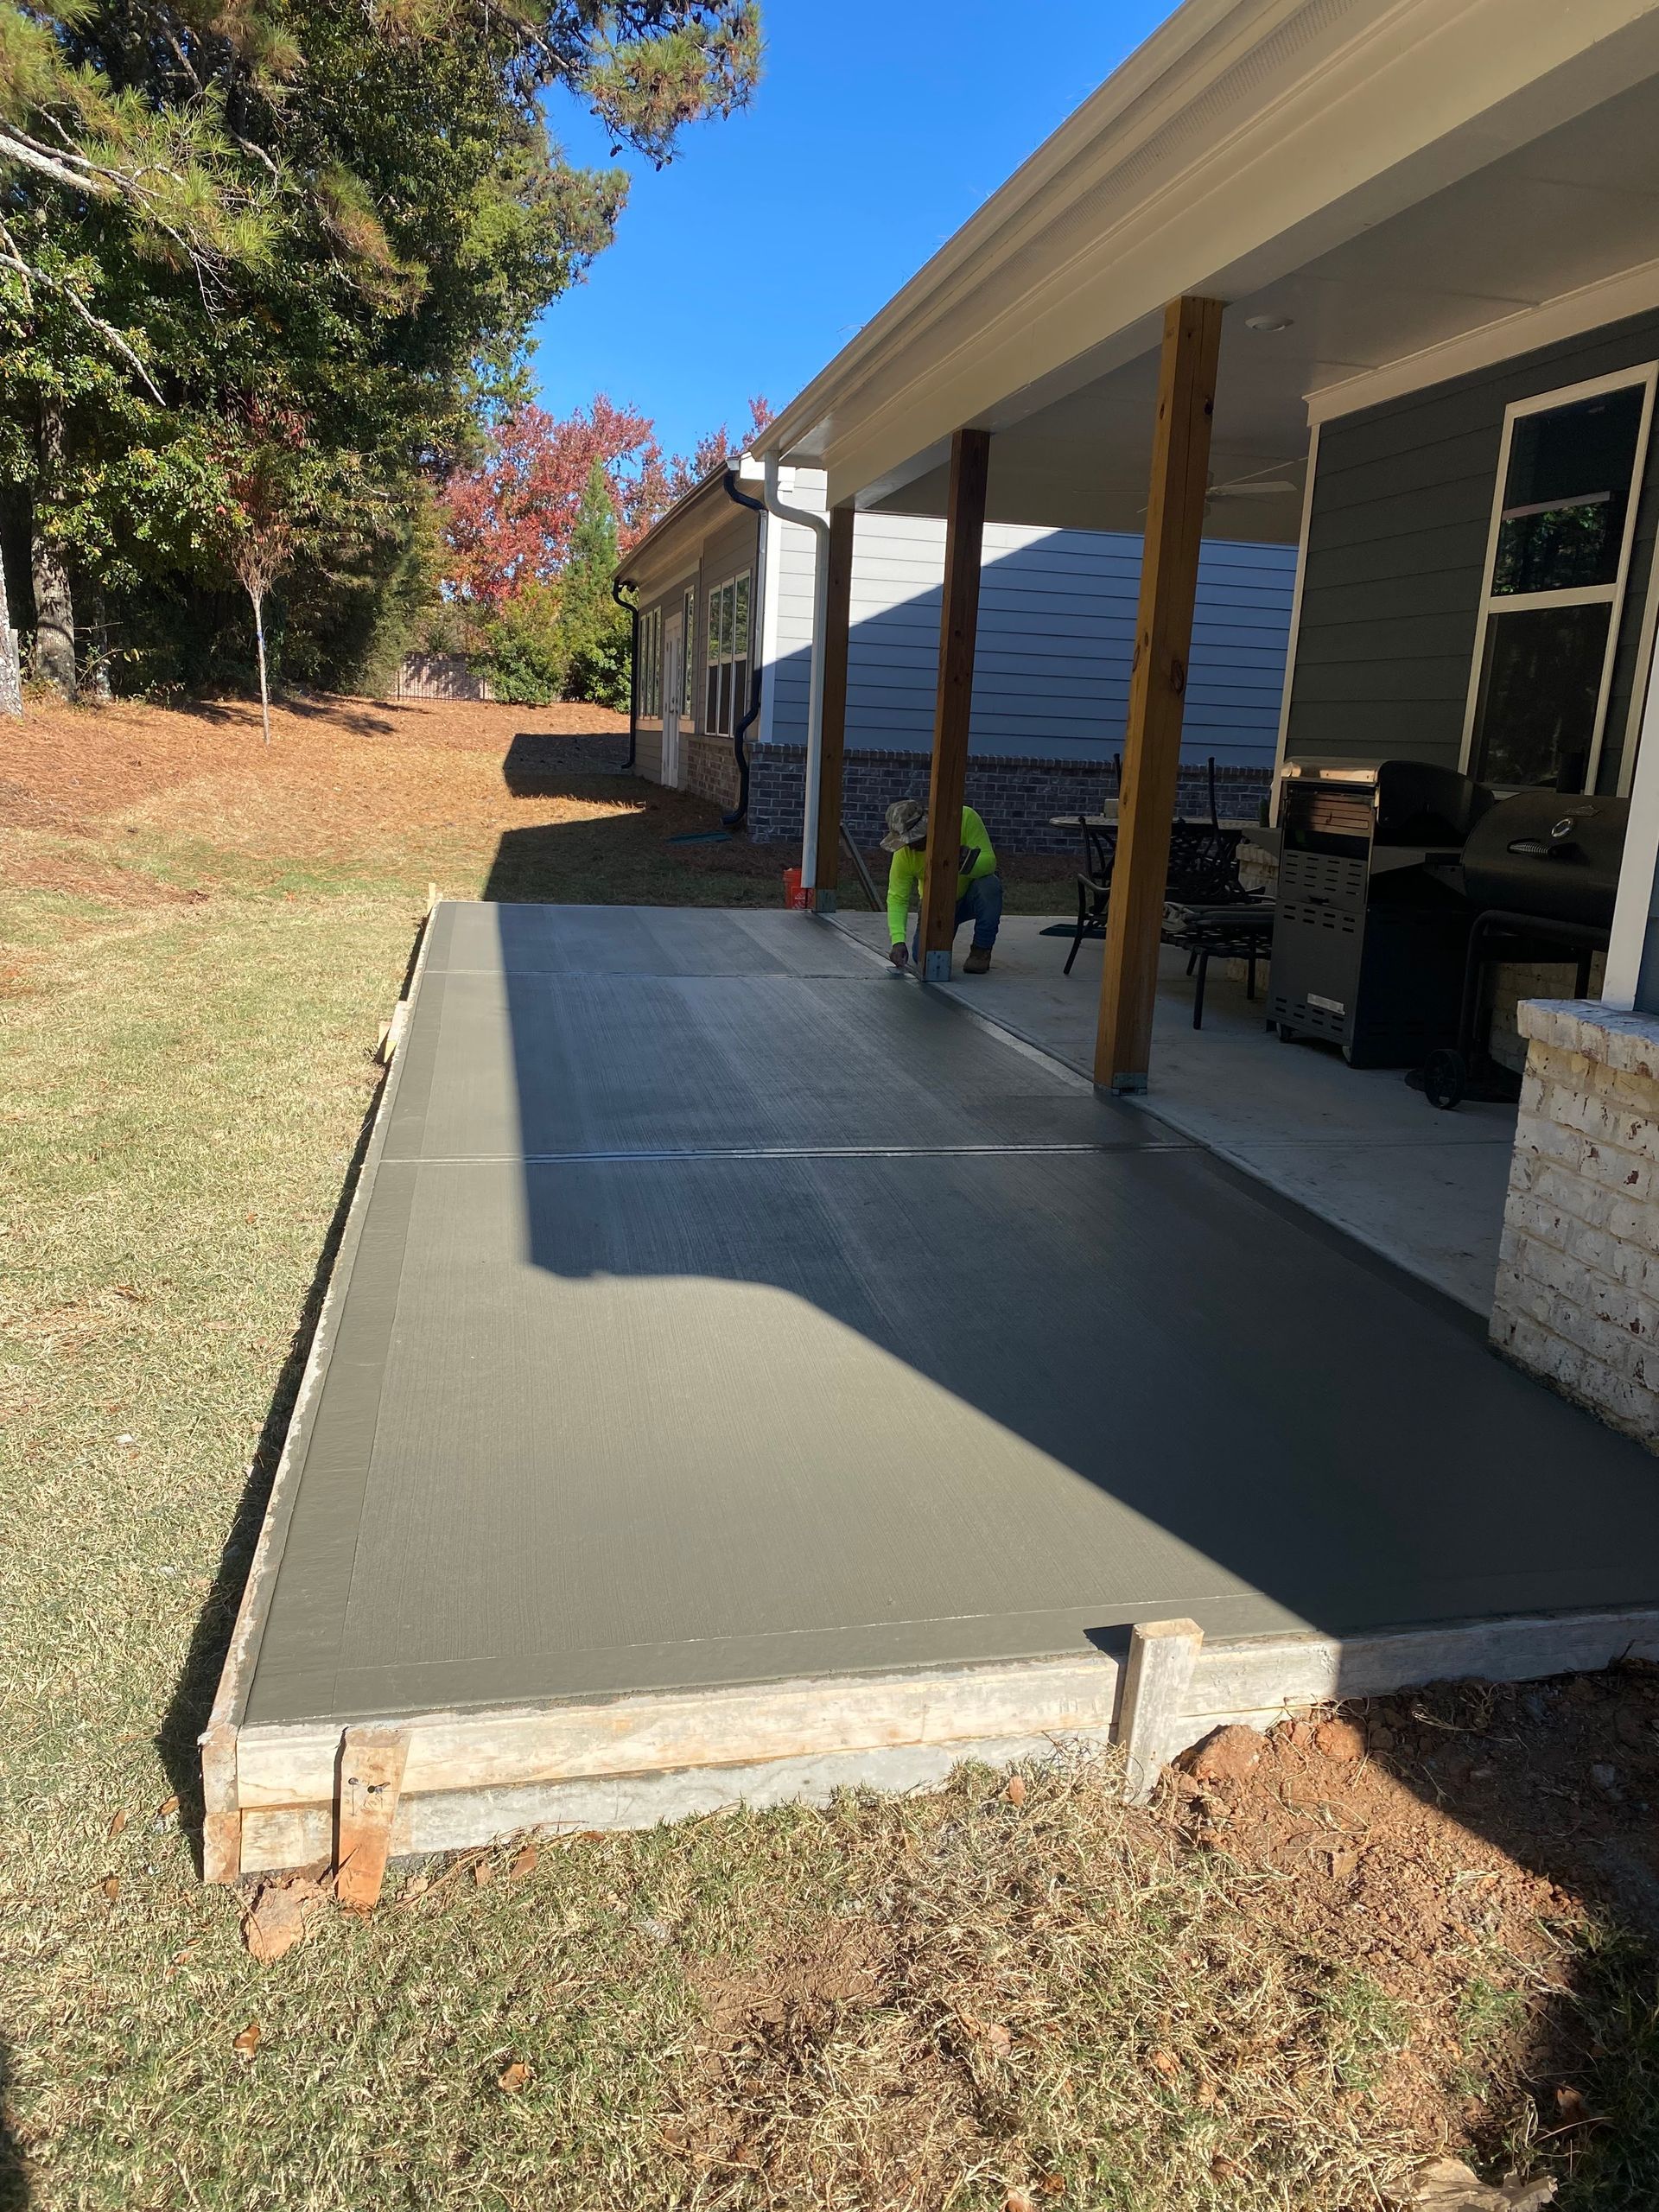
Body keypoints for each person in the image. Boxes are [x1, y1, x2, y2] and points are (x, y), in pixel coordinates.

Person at [880, 797, 1003, 975]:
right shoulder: (905, 853)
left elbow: (990, 862)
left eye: (915, 840)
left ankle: (981, 950)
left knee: (990, 885)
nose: (912, 846)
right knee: (921, 956)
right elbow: (897, 897)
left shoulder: (965, 818)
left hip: (970, 897)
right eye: (907, 842)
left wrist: (966, 864)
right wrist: (898, 941)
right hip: (934, 905)